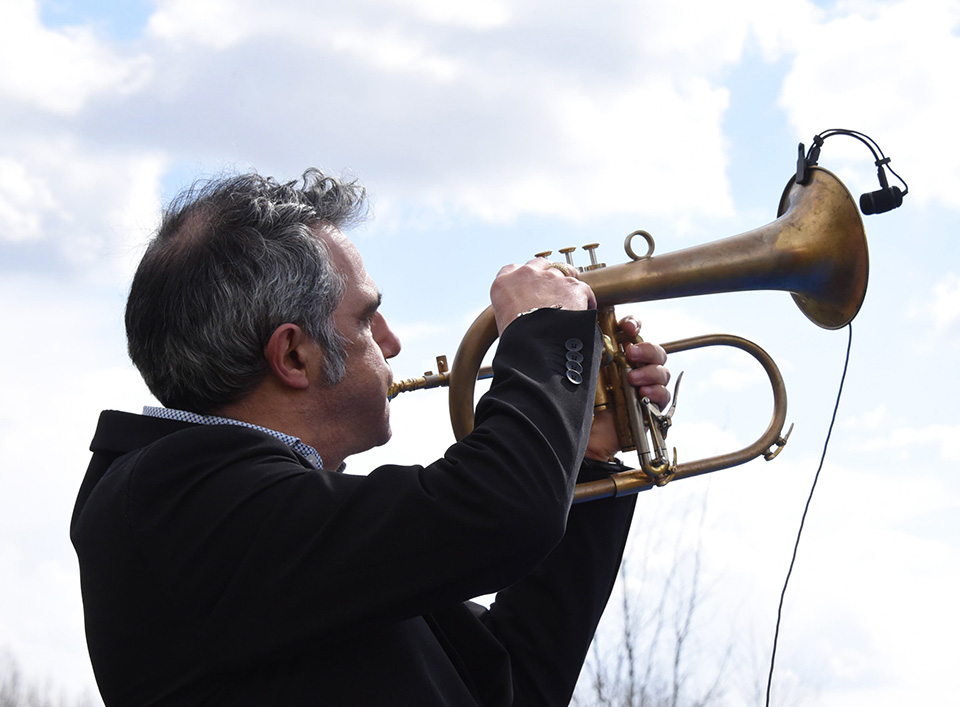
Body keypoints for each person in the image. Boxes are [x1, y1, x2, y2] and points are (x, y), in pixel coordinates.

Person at [71, 169, 670, 706]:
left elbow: (512, 685)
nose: (391, 342)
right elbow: (504, 512)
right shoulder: (173, 499)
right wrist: (545, 339)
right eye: (364, 317)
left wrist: (585, 453)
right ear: (294, 355)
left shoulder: (257, 518)